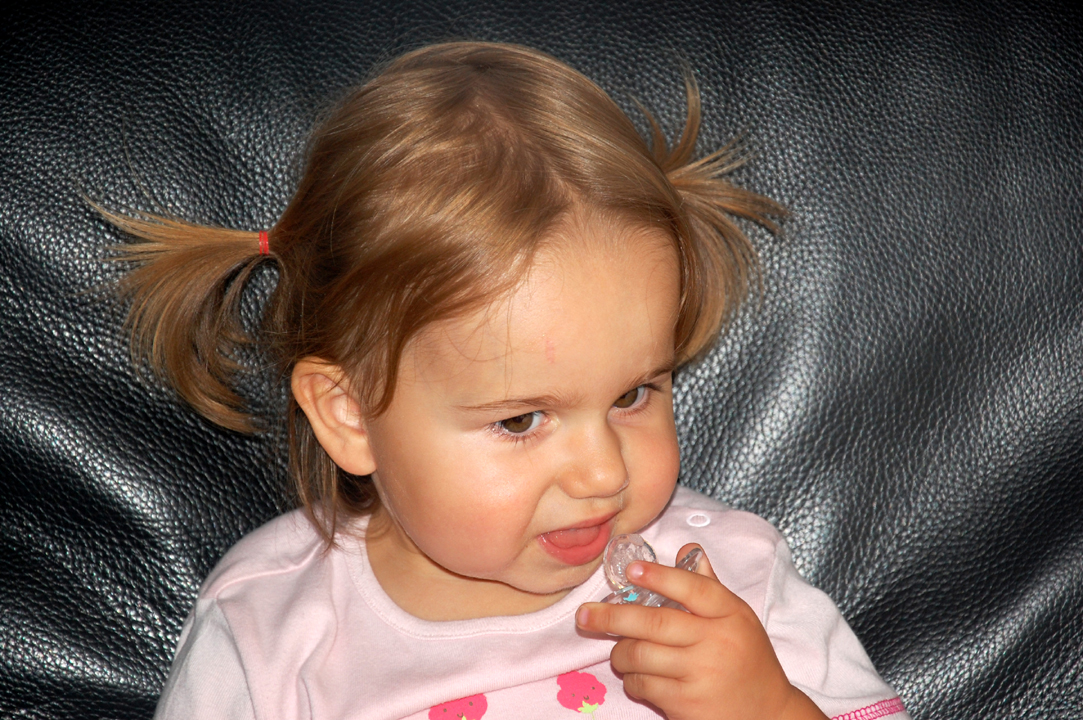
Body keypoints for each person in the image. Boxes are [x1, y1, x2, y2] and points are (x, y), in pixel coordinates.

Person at [105, 41, 909, 720]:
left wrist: (767, 706)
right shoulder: (269, 624)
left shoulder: (724, 582)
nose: (602, 474)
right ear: (348, 415)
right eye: (521, 420)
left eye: (632, 396)